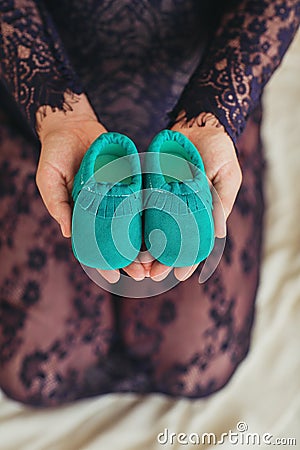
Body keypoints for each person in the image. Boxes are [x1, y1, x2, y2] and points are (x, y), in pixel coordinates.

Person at [0, 0, 299, 407]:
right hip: (43, 104)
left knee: (197, 360)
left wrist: (214, 116)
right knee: (40, 370)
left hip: (202, 93)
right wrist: (58, 115)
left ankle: (191, 148)